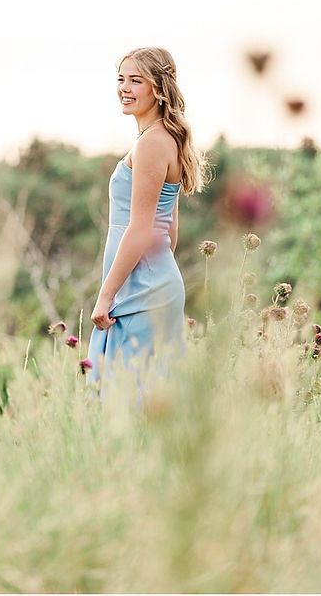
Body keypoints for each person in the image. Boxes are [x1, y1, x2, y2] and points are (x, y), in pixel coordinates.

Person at [86, 47, 205, 387]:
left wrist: (106, 295)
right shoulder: (161, 139)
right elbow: (170, 230)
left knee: (129, 399)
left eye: (136, 81)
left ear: (159, 88)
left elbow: (141, 229)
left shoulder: (152, 143)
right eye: (121, 79)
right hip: (146, 284)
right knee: (139, 397)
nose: (125, 88)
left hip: (142, 292)